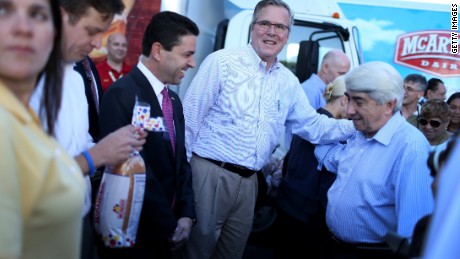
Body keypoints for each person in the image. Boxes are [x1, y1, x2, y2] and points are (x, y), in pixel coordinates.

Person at [182, 1, 356, 258]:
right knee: (195, 252)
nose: (271, 32)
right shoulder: (221, 63)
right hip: (210, 175)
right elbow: (189, 121)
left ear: (288, 34)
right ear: (253, 27)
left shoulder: (287, 81)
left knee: (232, 253)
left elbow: (313, 125)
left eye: (280, 26)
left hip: (251, 182)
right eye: (265, 23)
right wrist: (184, 184)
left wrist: (358, 126)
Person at [29, 0, 147, 258]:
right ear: (61, 17)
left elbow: (77, 142)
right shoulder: (21, 80)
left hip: (77, 218)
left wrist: (118, 146)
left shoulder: (72, 77)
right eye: (92, 31)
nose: (97, 44)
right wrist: (98, 155)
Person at [98, 11, 198, 258]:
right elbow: (132, 168)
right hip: (132, 236)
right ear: (157, 51)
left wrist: (187, 213)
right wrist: (168, 224)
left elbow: (180, 162)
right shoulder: (121, 95)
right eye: (187, 54)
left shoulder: (173, 100)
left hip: (169, 233)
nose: (192, 63)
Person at [314, 61, 434, 259]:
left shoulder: (410, 147)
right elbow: (331, 158)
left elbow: (413, 234)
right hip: (334, 247)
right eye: (348, 99)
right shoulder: (361, 133)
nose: (350, 110)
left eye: (359, 102)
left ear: (389, 105)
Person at [0, 0, 85, 258]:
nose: (23, 28)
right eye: (3, 10)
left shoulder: (22, 114)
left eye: (38, 15)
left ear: (54, 33)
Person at [273, 75, 348, 259]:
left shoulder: (310, 120)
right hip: (307, 213)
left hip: (287, 201)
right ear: (345, 99)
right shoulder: (330, 130)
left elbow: (290, 159)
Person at [285, 49, 350, 148]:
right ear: (325, 68)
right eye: (341, 73)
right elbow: (305, 132)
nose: (344, 78)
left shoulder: (329, 88)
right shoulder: (310, 91)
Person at [74, 55, 104, 142]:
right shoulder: (71, 68)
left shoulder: (88, 62)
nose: (97, 44)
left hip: (95, 139)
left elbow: (97, 98)